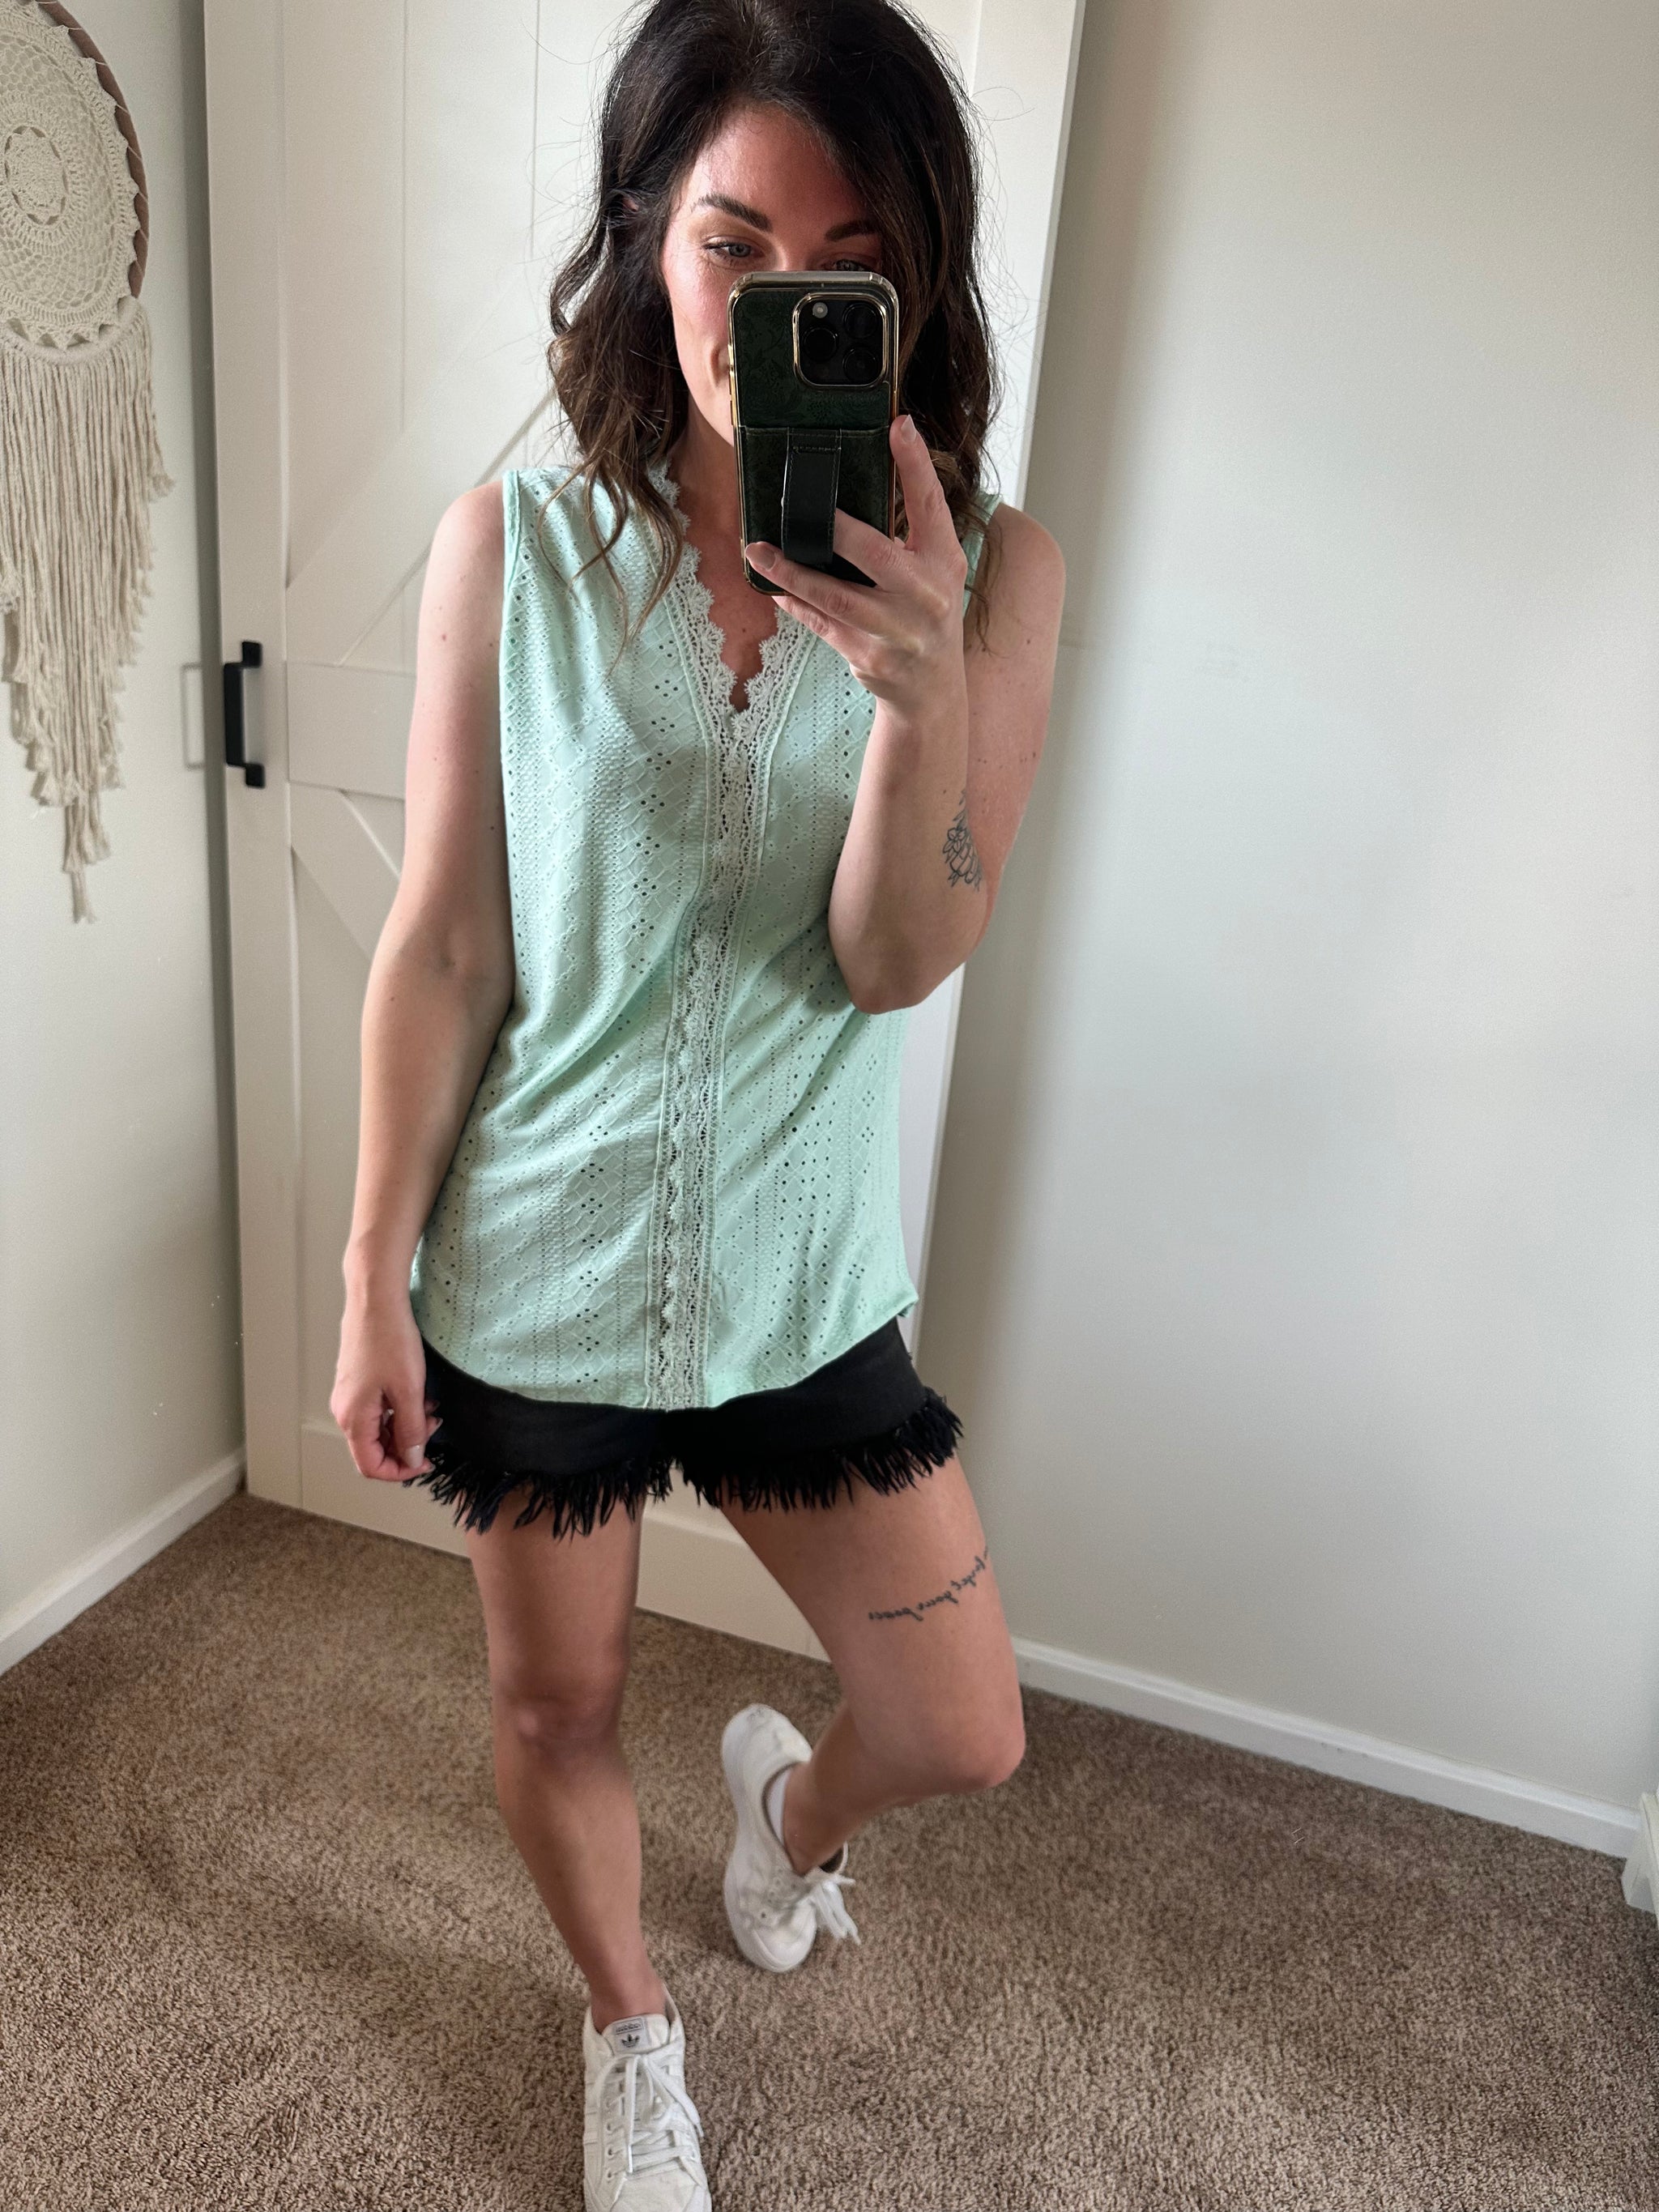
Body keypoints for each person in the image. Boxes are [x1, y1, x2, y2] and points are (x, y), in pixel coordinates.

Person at [331, 0, 1064, 2201]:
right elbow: (445, 946)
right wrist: (372, 1272)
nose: (773, 307)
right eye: (732, 244)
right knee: (553, 1707)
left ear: (913, 290)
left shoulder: (996, 576)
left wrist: (920, 695)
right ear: (650, 241)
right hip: (537, 1272)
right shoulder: (514, 551)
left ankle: (784, 1815)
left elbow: (893, 959)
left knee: (963, 1725)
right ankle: (629, 2023)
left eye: (847, 260)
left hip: (797, 1283)